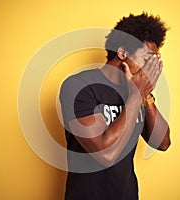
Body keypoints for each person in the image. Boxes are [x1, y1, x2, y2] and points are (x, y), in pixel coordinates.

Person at [59, 12, 171, 200]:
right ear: (122, 53)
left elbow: (162, 143)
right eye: (147, 59)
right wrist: (136, 95)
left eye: (155, 62)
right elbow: (106, 156)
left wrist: (146, 95)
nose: (151, 69)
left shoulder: (137, 90)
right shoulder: (79, 86)